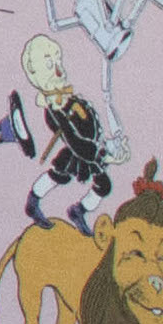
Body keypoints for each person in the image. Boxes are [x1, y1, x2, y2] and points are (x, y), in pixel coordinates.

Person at [16, 34, 114, 235]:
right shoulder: (55, 108)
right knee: (61, 175)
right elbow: (71, 136)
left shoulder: (67, 97)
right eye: (50, 65)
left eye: (58, 62)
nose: (59, 70)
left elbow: (86, 121)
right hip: (82, 150)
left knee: (96, 183)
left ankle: (77, 211)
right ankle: (33, 202)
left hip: (89, 147)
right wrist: (95, 152)